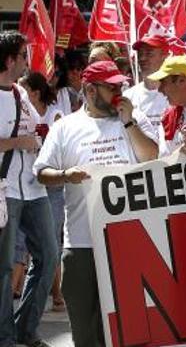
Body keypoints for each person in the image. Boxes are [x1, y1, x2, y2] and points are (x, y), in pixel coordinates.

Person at [34, 60, 160, 346]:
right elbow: (41, 172)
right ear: (90, 91)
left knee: (127, 328)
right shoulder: (66, 127)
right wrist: (67, 175)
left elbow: (151, 158)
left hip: (127, 238)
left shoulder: (133, 118)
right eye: (111, 87)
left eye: (120, 86)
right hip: (82, 243)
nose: (119, 92)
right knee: (85, 328)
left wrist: (129, 122)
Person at [0, 32, 58, 347]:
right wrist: (15, 143)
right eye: (24, 55)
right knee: (4, 266)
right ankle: (5, 335)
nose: (27, 61)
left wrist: (45, 136)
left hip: (33, 188)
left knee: (49, 255)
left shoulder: (22, 93)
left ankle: (26, 328)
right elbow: (18, 138)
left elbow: (36, 127)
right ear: (10, 60)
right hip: (4, 189)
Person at [18, 72, 65, 313]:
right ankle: (16, 298)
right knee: (19, 247)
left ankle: (57, 294)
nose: (19, 91)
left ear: (35, 92)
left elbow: (59, 151)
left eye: (24, 88)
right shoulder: (19, 111)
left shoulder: (55, 116)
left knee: (51, 245)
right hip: (24, 185)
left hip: (51, 188)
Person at [124, 34, 171, 131]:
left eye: (149, 54)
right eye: (140, 54)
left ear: (165, 56)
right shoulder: (128, 97)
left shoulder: (177, 94)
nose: (142, 59)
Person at [54, 49, 87, 115]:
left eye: (78, 68)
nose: (75, 71)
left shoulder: (88, 89)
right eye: (71, 67)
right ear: (65, 70)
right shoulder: (59, 92)